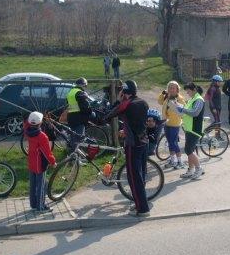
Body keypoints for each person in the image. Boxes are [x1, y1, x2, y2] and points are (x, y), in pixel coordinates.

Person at [105, 80, 150, 217]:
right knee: (140, 175)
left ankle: (142, 209)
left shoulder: (126, 105)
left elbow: (108, 115)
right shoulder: (143, 102)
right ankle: (139, 204)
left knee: (133, 176)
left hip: (132, 144)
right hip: (143, 142)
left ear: (124, 92)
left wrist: (118, 101)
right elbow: (136, 122)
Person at [169, 83, 205, 180]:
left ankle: (199, 168)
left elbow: (195, 113)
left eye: (188, 91)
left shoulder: (199, 100)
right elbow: (187, 111)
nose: (187, 93)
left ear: (194, 90)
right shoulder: (192, 99)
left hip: (195, 129)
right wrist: (178, 108)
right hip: (189, 129)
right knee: (190, 150)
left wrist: (183, 110)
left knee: (188, 150)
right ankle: (191, 170)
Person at [25, 112, 57, 212]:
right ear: (40, 123)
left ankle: (33, 204)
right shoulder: (42, 137)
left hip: (31, 162)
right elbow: (47, 153)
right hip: (40, 165)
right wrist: (53, 162)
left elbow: (26, 123)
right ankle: (41, 207)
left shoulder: (27, 131)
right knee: (41, 185)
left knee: (33, 185)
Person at [158, 81, 186, 169]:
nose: (171, 89)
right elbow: (160, 101)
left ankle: (180, 161)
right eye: (169, 87)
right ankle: (173, 160)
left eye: (173, 88)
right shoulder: (167, 96)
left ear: (177, 89)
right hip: (167, 122)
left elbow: (183, 109)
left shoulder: (179, 98)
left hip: (175, 123)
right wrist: (162, 94)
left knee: (173, 143)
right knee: (170, 143)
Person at [66, 77, 94, 149]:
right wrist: (90, 112)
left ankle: (71, 154)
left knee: (73, 137)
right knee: (79, 138)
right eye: (85, 85)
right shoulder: (80, 93)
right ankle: (76, 155)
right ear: (82, 85)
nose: (85, 87)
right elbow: (84, 107)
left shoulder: (70, 92)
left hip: (70, 117)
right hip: (79, 117)